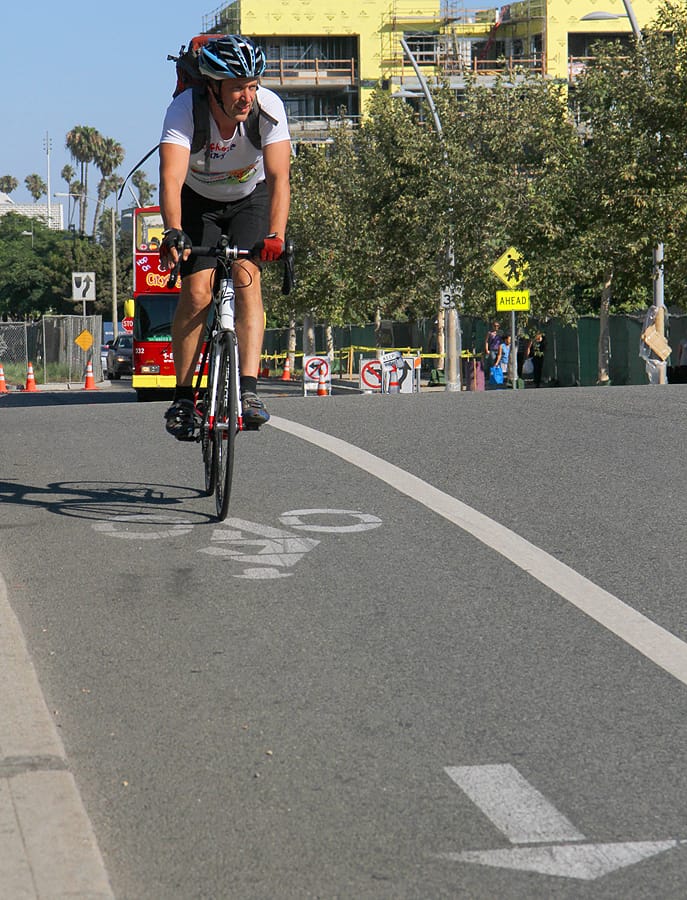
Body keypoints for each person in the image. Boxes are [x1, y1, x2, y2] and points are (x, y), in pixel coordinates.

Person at [158, 34, 291, 440]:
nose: (247, 96)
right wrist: (174, 231)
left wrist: (276, 236)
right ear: (213, 87)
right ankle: (183, 396)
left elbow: (280, 177)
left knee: (248, 276)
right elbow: (171, 177)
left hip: (250, 198)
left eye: (252, 85)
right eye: (238, 87)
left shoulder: (268, 108)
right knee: (197, 291)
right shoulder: (185, 110)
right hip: (197, 201)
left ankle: (248, 392)